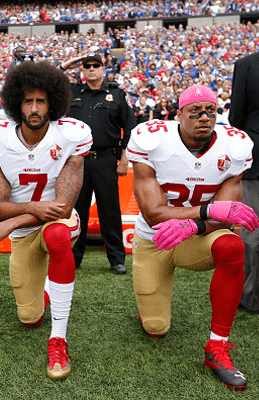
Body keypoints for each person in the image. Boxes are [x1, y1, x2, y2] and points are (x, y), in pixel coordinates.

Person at [126, 85, 258, 390]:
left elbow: (228, 218)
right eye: (195, 111)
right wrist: (206, 211)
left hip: (197, 239)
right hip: (155, 241)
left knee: (231, 244)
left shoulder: (234, 145)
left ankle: (217, 347)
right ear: (178, 115)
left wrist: (196, 225)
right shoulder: (153, 140)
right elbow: (154, 214)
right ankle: (149, 302)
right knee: (156, 328)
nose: (204, 117)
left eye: (210, 111)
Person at [0, 61, 92, 379]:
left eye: (41, 100)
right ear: (16, 103)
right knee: (29, 318)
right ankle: (45, 292)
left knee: (56, 235)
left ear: (53, 102)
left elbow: (63, 208)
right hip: (24, 233)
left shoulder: (72, 135)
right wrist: (22, 216)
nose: (34, 107)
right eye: (28, 100)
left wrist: (14, 221)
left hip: (57, 222)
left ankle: (59, 338)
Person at [58, 53, 137, 274]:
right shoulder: (72, 92)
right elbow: (48, 79)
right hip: (76, 161)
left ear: (104, 69)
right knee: (76, 210)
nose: (91, 69)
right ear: (82, 70)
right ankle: (73, 256)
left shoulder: (116, 95)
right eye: (87, 66)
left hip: (106, 159)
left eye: (96, 65)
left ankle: (116, 259)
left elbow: (130, 127)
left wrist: (123, 159)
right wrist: (66, 64)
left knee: (109, 211)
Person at [228, 52, 259, 314]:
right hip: (255, 162)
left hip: (256, 158)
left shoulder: (247, 65)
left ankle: (251, 297)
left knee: (253, 234)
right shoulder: (246, 64)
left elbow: (236, 115)